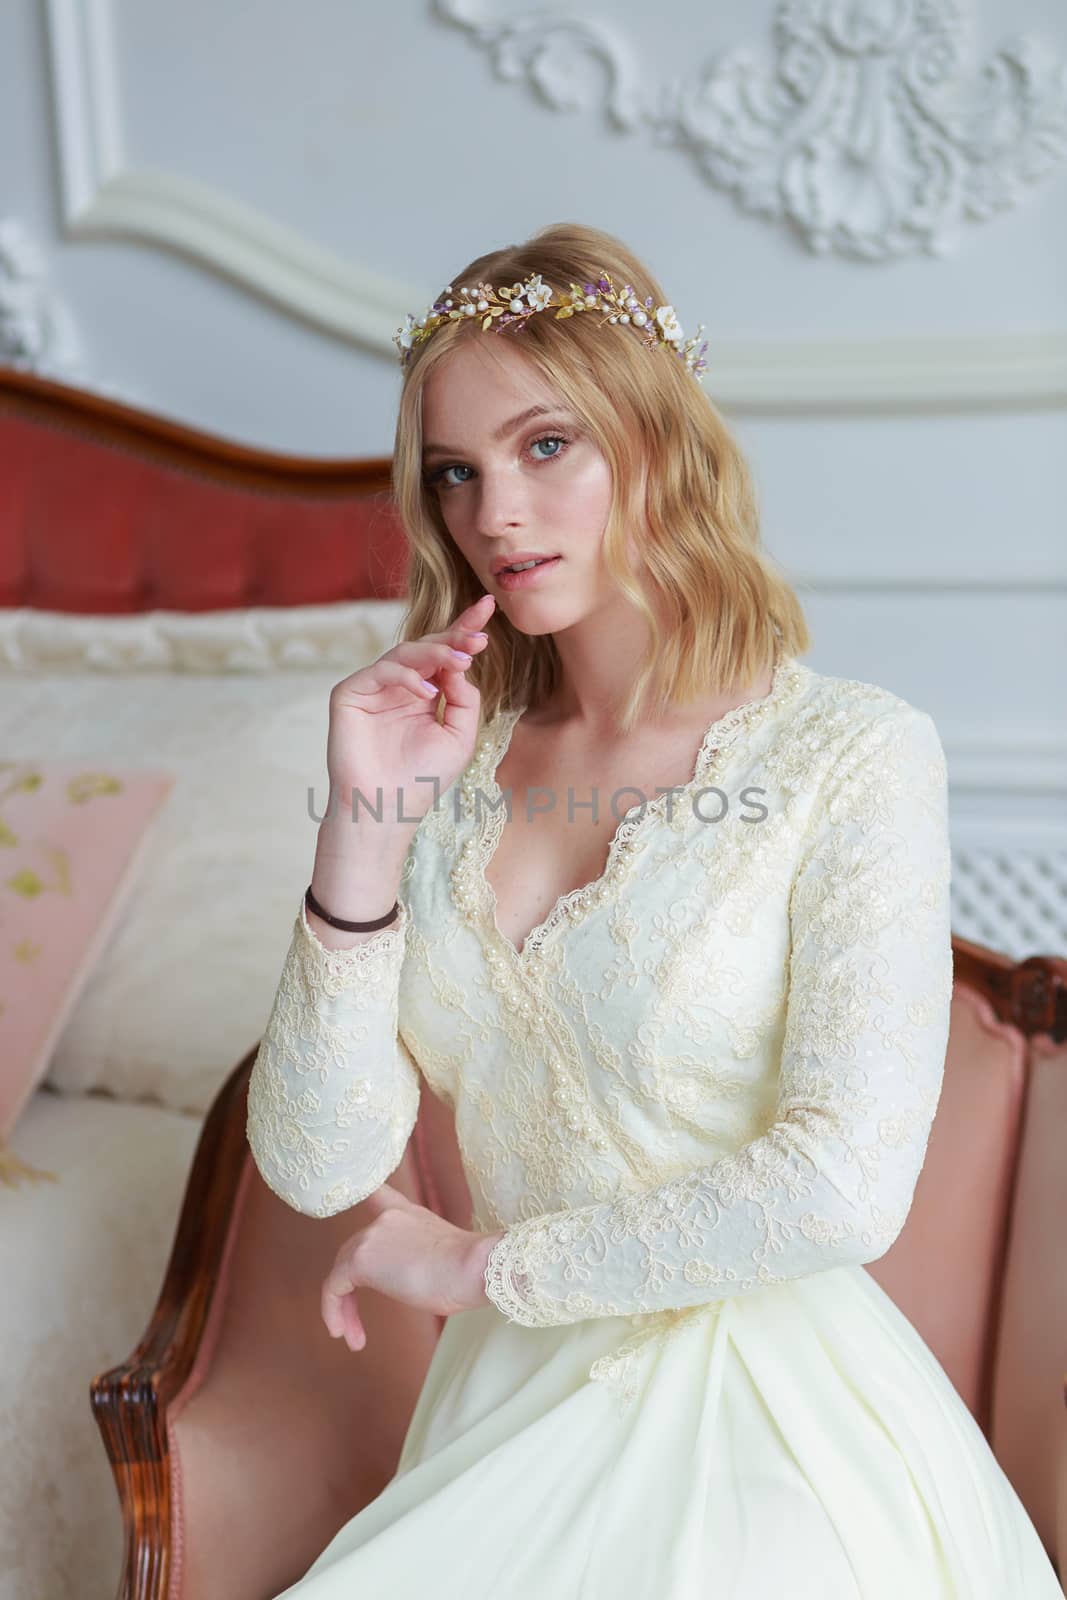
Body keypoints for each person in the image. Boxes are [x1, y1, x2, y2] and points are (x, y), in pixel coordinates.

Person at [245, 222, 1062, 1597]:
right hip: (508, 1422)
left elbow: (842, 1185)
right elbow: (323, 1165)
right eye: (457, 473)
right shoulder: (441, 772)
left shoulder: (850, 755)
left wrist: (477, 1268)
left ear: (657, 443)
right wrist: (363, 830)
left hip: (766, 1423)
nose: (494, 514)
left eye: (546, 446)